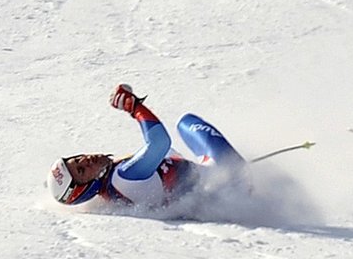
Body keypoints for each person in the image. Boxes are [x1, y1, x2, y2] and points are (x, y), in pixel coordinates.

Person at [47, 84, 247, 208]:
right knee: (186, 122)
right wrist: (133, 107)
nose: (85, 160)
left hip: (214, 189)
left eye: (76, 159)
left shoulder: (111, 191)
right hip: (228, 178)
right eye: (81, 170)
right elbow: (160, 143)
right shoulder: (123, 176)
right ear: (86, 188)